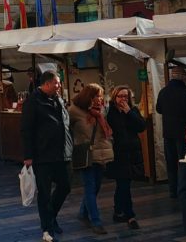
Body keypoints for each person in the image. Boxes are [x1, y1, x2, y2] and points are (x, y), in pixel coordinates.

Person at [21, 70, 72, 242]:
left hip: (61, 153)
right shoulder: (33, 101)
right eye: (57, 83)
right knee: (45, 193)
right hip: (42, 154)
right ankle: (47, 229)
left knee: (65, 186)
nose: (59, 86)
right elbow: (26, 129)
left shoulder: (58, 100)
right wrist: (28, 155)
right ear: (48, 83)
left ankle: (51, 217)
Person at [69, 82, 114, 235]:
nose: (99, 99)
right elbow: (66, 130)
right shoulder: (74, 111)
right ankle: (96, 221)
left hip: (101, 153)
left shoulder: (102, 111)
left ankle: (83, 212)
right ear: (88, 96)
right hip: (85, 154)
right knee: (89, 187)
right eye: (96, 96)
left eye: (100, 96)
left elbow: (106, 132)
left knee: (96, 187)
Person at [155, 65, 186, 198]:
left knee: (171, 163)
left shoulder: (163, 91)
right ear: (182, 77)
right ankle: (185, 188)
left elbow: (158, 109)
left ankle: (173, 190)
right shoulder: (185, 92)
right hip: (184, 133)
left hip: (168, 133)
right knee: (185, 161)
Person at [106, 85, 146, 230]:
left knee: (123, 184)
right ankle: (130, 215)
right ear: (114, 97)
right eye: (120, 96)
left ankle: (118, 211)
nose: (123, 99)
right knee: (123, 184)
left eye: (125, 96)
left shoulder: (133, 110)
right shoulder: (110, 112)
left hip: (132, 153)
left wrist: (130, 113)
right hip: (118, 154)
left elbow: (142, 126)